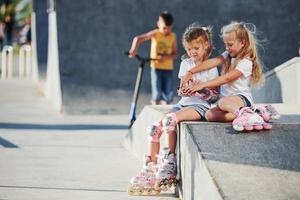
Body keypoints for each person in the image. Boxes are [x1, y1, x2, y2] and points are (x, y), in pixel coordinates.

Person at [128, 23, 219, 195]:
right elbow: (182, 87)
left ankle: (171, 160)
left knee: (170, 121)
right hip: (183, 103)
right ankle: (151, 168)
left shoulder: (211, 66)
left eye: (197, 48)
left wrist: (202, 89)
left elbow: (214, 94)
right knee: (154, 129)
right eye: (190, 48)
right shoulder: (186, 63)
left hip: (200, 106)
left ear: (206, 44)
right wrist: (184, 89)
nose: (193, 52)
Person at [181, 21, 279, 131]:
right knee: (209, 115)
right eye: (226, 45)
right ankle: (255, 114)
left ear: (243, 42)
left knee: (223, 102)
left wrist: (202, 85)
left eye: (230, 45)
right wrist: (190, 72)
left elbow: (226, 78)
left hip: (240, 98)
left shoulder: (246, 62)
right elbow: (213, 62)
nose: (227, 48)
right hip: (228, 102)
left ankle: (246, 113)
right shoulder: (228, 55)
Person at [128, 11, 177, 105]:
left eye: (169, 28)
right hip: (156, 68)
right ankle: (155, 105)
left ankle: (167, 112)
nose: (167, 31)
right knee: (157, 93)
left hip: (168, 69)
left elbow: (175, 54)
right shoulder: (156, 33)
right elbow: (138, 39)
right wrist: (133, 50)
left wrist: (165, 57)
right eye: (164, 28)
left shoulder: (172, 36)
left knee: (169, 93)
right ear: (158, 24)